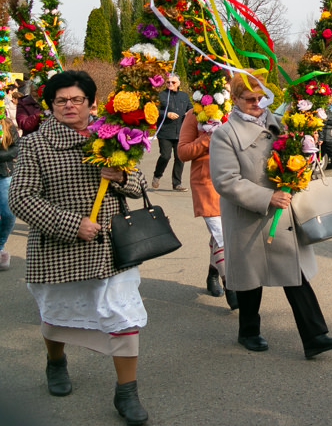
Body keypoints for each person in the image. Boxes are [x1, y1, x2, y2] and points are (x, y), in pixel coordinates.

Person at [8, 70, 150, 426]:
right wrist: (72, 225)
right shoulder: (35, 145)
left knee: (124, 318)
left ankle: (127, 392)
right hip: (59, 250)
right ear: (51, 105)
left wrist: (122, 176)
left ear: (91, 103)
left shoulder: (114, 138)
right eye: (61, 100)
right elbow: (21, 198)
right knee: (55, 319)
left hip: (111, 251)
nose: (69, 105)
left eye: (77, 99)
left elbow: (139, 185)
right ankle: (56, 361)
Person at [209, 72, 332, 358]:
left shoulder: (280, 123)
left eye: (261, 97)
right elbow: (225, 181)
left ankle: (315, 336)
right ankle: (248, 331)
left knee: (294, 274)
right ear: (235, 99)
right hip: (248, 217)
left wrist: (303, 159)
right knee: (250, 279)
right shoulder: (225, 134)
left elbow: (294, 156)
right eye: (250, 99)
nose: (257, 103)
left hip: (282, 216)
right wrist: (266, 196)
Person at [177, 108, 238, 309]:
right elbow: (183, 152)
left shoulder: (238, 111)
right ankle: (232, 287)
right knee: (221, 234)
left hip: (235, 182)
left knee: (222, 234)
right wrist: (208, 137)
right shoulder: (195, 114)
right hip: (207, 183)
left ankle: (212, 274)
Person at [151, 74, 191, 191]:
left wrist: (189, 113)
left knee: (180, 158)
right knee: (165, 156)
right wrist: (166, 114)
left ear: (178, 83)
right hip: (165, 132)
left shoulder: (184, 95)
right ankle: (157, 175)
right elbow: (154, 110)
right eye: (168, 82)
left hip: (180, 131)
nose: (170, 84)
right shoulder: (161, 95)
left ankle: (176, 183)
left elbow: (190, 107)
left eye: (173, 82)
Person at [0, 117, 20, 271]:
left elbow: (17, 147)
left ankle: (0, 246)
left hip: (4, 174)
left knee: (8, 214)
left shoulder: (6, 124)